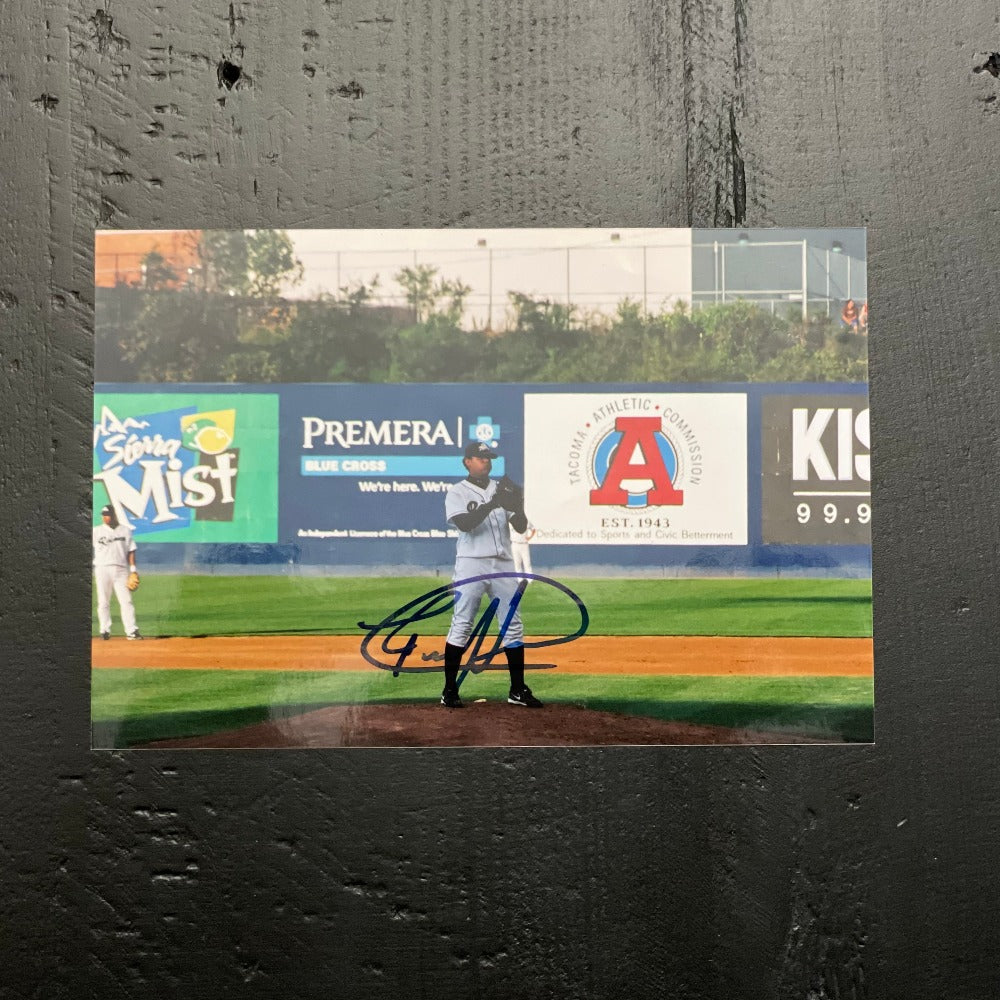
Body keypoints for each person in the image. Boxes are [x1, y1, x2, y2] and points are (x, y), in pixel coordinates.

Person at [441, 440, 542, 709]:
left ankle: (517, 689)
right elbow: (465, 524)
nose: (486, 461)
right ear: (467, 462)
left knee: (512, 624)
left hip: (503, 564)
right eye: (480, 457)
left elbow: (519, 526)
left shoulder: (501, 488)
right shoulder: (457, 492)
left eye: (489, 458)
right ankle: (449, 690)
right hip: (471, 563)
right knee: (462, 624)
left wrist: (518, 504)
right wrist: (493, 503)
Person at [93, 503, 142, 640]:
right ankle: (104, 629)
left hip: (121, 569)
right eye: (104, 515)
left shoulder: (125, 530)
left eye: (108, 515)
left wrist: (133, 570)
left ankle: (131, 630)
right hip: (102, 568)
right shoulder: (96, 531)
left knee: (126, 601)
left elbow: (131, 550)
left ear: (114, 515)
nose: (105, 517)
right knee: (103, 601)